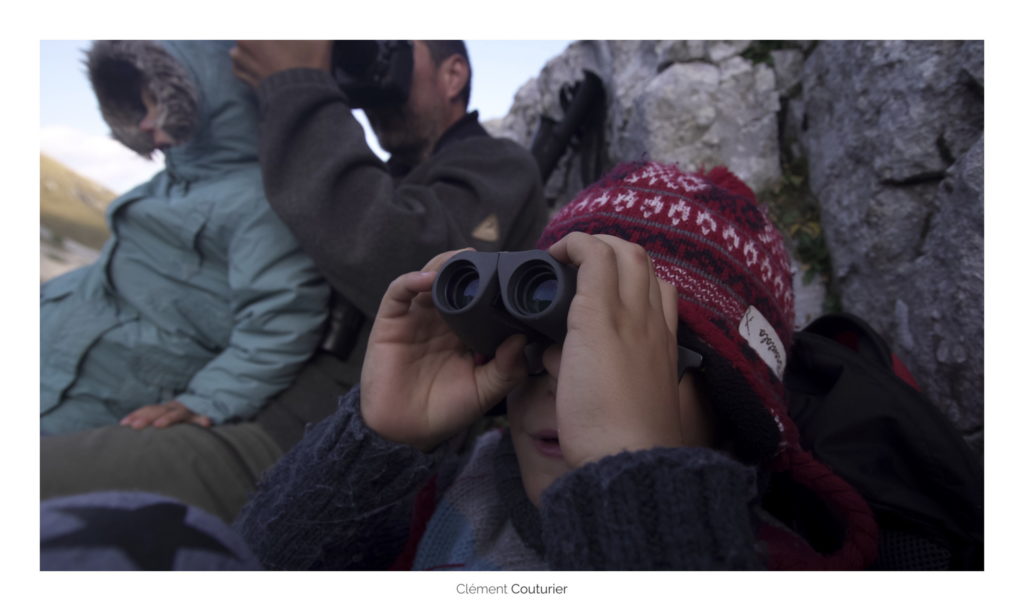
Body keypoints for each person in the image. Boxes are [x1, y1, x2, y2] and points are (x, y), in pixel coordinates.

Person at [234, 161, 879, 570]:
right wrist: (373, 448)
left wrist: (636, 486)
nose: (560, 378)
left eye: (622, 350)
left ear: (733, 405)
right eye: (541, 330)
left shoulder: (749, 560)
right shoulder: (454, 490)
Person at [41, 40, 546, 523]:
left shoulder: (496, 165)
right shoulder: (372, 178)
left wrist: (296, 81)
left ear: (452, 74)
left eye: (393, 51)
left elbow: (418, 271)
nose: (368, 73)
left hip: (305, 439)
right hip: (261, 408)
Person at [40, 40, 328, 436]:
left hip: (104, 390)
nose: (144, 122)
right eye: (141, 106)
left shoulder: (264, 203)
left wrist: (208, 400)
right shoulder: (172, 181)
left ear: (203, 100)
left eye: (156, 103)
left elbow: (280, 320)